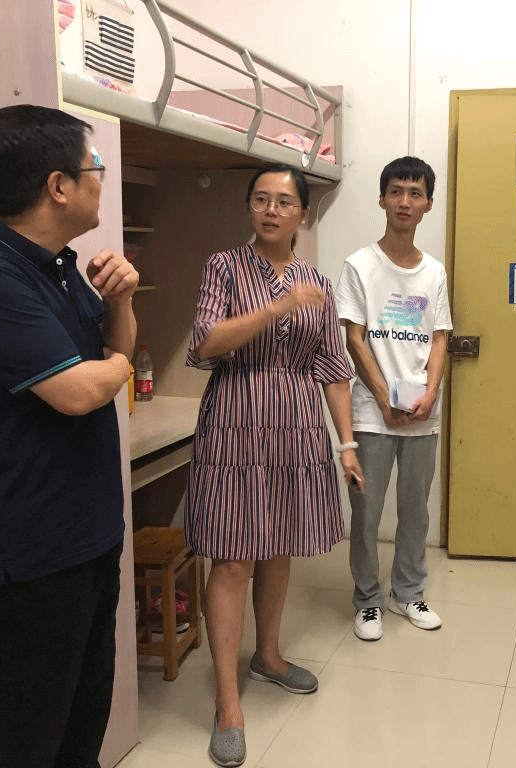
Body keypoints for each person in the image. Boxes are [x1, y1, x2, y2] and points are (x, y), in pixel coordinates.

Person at [0, 105, 138, 768]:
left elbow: (107, 355)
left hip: (87, 537)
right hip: (28, 555)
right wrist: (121, 367)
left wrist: (121, 303)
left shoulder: (58, 266)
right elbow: (79, 391)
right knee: (19, 741)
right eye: (94, 167)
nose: (100, 179)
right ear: (59, 185)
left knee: (81, 724)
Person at [185, 163, 363, 767]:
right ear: (249, 208)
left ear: (303, 215)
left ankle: (267, 656)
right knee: (234, 555)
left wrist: (346, 445)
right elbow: (205, 342)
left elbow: (332, 369)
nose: (270, 210)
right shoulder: (224, 267)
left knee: (279, 542)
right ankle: (227, 703)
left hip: (297, 425)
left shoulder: (319, 283)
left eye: (284, 202)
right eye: (260, 199)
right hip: (236, 422)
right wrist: (279, 306)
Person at [335, 156, 453, 641]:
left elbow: (440, 337)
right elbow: (354, 337)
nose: (405, 201)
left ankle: (408, 592)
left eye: (415, 193)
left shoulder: (434, 272)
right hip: (371, 412)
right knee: (366, 511)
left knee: (415, 510)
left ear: (428, 204)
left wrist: (431, 393)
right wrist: (384, 398)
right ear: (382, 199)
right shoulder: (359, 266)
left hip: (422, 410)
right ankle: (368, 600)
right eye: (397, 191)